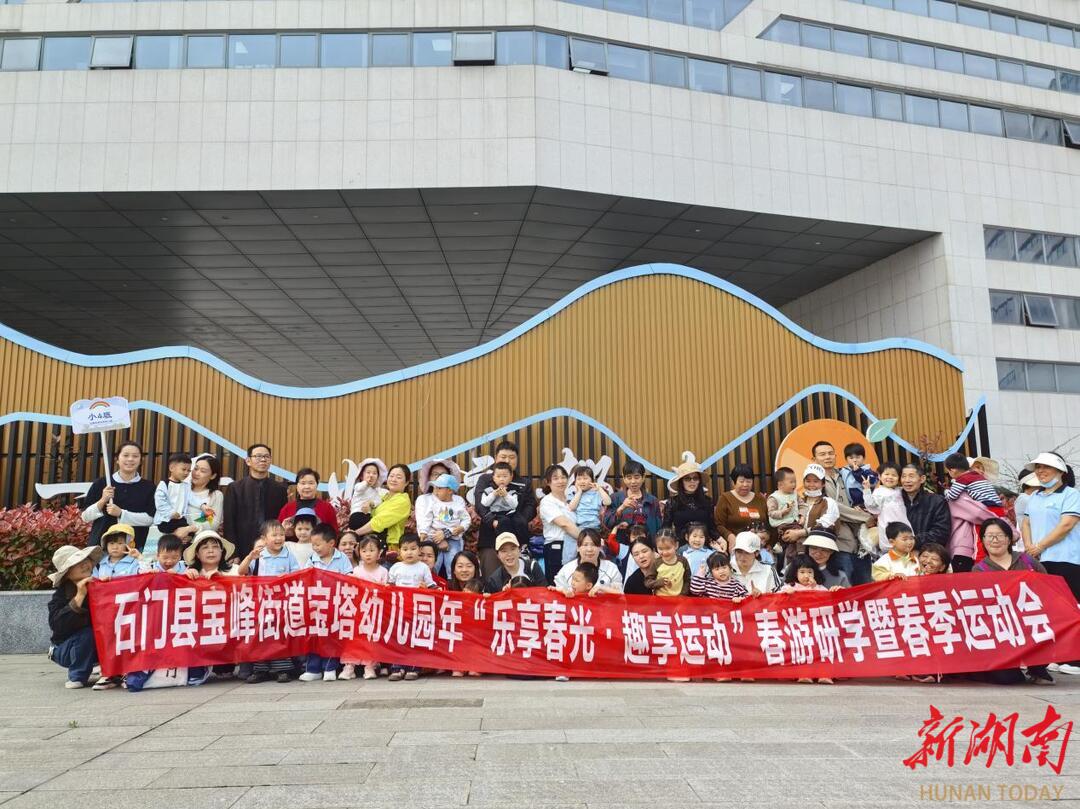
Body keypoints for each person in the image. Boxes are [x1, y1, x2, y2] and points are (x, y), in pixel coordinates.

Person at [972, 517, 1054, 686]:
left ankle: (1037, 667)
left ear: (1009, 539)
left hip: (1030, 622)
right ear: (983, 540)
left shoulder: (1027, 561)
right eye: (989, 536)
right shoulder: (979, 569)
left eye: (1000, 535)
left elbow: (1048, 587)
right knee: (1008, 679)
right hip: (1001, 630)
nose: (995, 540)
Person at [1021, 451, 1080, 676]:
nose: (1040, 471)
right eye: (1038, 468)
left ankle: (1076, 658)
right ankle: (1059, 654)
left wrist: (1040, 546)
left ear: (1060, 471)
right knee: (1051, 610)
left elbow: (1066, 525)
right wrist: (1030, 547)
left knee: (1071, 607)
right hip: (1040, 560)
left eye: (1046, 467)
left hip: (1067, 559)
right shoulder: (1035, 496)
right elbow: (1026, 523)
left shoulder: (1071, 494)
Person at [238, 520, 301, 683]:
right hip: (261, 604)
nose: (279, 538)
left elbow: (297, 575)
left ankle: (282, 669)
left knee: (279, 635)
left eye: (281, 534)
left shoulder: (288, 555)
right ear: (264, 538)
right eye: (274, 535)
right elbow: (241, 572)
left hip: (281, 604)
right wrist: (249, 557)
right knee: (261, 636)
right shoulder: (259, 556)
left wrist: (287, 578)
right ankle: (260, 670)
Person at [298, 524, 353, 682]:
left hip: (335, 605)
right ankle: (313, 669)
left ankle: (329, 668)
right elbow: (305, 577)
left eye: (318, 544)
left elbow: (349, 577)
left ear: (331, 543)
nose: (315, 548)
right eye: (313, 545)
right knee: (314, 637)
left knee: (331, 637)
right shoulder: (312, 559)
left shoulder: (342, 558)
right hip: (316, 606)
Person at [473, 441, 538, 575]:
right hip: (490, 538)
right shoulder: (485, 479)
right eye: (503, 457)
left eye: (512, 457)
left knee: (519, 579)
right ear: (496, 458)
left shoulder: (524, 483)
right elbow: (480, 504)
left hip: (517, 540)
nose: (507, 460)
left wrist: (518, 521)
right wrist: (493, 521)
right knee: (492, 578)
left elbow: (531, 506)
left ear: (517, 459)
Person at [813, 441, 872, 585]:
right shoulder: (814, 481)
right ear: (814, 459)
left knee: (866, 586)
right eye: (822, 454)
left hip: (862, 541)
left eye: (830, 453)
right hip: (840, 543)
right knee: (845, 587)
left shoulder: (846, 473)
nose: (827, 457)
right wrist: (865, 517)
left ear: (836, 455)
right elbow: (832, 507)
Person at [80, 440, 156, 552]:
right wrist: (102, 500)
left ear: (141, 460)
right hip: (101, 547)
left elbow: (151, 519)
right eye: (125, 455)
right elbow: (85, 517)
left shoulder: (149, 487)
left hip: (135, 549)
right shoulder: (101, 483)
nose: (130, 459)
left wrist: (121, 514)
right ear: (117, 459)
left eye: (135, 456)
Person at [47, 544, 103, 689]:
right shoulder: (60, 596)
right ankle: (77, 675)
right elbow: (58, 626)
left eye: (85, 559)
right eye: (77, 563)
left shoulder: (99, 585)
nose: (84, 564)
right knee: (87, 633)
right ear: (67, 573)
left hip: (97, 644)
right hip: (65, 648)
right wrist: (80, 595)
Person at [222, 443, 289, 561]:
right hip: (242, 547)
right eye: (258, 456)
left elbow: (281, 521)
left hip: (272, 548)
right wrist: (233, 553)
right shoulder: (235, 488)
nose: (263, 460)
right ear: (248, 461)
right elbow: (229, 523)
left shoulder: (280, 489)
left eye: (266, 456)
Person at [386, 534, 435, 681]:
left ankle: (413, 668)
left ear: (419, 550)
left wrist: (430, 589)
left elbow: (431, 586)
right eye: (405, 549)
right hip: (399, 610)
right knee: (398, 639)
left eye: (413, 549)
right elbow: (389, 586)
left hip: (417, 611)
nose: (409, 552)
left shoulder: (423, 568)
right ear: (399, 551)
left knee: (415, 639)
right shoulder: (395, 567)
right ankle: (397, 668)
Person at [342, 535, 387, 681]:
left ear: (379, 553)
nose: (368, 554)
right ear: (359, 552)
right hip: (358, 610)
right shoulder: (356, 571)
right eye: (364, 551)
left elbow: (386, 591)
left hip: (374, 610)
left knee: (371, 638)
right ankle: (350, 666)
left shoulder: (383, 572)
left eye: (372, 550)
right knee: (354, 638)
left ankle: (369, 665)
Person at [779, 464, 839, 562]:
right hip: (794, 552)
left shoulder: (829, 502)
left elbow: (825, 526)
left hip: (819, 554)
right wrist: (786, 533)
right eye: (808, 481)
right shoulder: (797, 502)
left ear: (823, 484)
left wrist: (799, 533)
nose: (811, 484)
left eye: (816, 481)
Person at [603, 460, 663, 560]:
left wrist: (656, 550)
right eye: (629, 477)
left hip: (646, 551)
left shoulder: (652, 501)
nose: (633, 481)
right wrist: (621, 508)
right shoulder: (615, 498)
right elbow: (607, 523)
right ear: (624, 478)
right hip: (622, 552)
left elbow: (658, 529)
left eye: (637, 477)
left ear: (643, 477)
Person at [352, 463, 413, 557]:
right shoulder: (383, 497)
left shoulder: (402, 501)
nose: (393, 479)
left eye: (398, 477)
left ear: (407, 482)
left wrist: (354, 533)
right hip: (370, 546)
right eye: (391, 476)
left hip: (388, 549)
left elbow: (379, 521)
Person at [417, 473, 471, 579]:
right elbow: (427, 518)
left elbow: (466, 519)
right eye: (435, 488)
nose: (436, 491)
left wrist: (462, 527)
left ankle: (452, 583)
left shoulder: (458, 504)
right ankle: (432, 582)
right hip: (435, 538)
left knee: (453, 563)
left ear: (450, 490)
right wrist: (423, 531)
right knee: (434, 563)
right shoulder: (434, 503)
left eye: (439, 488)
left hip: (453, 539)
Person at [539, 464, 583, 580]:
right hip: (557, 548)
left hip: (575, 546)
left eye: (563, 477)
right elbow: (565, 524)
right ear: (548, 482)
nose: (560, 481)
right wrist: (587, 538)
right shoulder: (547, 501)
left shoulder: (571, 500)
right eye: (556, 478)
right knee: (558, 584)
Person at [714, 464, 771, 553]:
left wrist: (769, 542)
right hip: (736, 547)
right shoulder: (725, 498)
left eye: (748, 481)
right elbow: (719, 525)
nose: (745, 485)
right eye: (741, 481)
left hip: (760, 547)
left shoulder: (760, 499)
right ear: (733, 482)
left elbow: (769, 523)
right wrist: (730, 536)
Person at [552, 529, 623, 593]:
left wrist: (602, 589)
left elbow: (620, 595)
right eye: (585, 545)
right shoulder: (567, 570)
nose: (589, 549)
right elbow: (558, 595)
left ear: (600, 548)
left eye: (593, 545)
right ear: (578, 548)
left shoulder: (611, 569)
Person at [899, 463, 951, 548]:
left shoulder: (937, 501)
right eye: (903, 476)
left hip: (926, 551)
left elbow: (941, 532)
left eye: (911, 476)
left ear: (922, 479)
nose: (907, 480)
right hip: (897, 550)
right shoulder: (895, 500)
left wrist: (914, 541)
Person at [664, 458, 717, 540]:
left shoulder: (707, 501)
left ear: (699, 481)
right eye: (687, 479)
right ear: (681, 482)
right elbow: (666, 529)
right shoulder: (672, 502)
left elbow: (712, 527)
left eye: (695, 478)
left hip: (703, 543)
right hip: (680, 544)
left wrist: (719, 539)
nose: (692, 481)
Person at [863, 463, 909, 554]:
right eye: (886, 474)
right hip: (887, 528)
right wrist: (867, 490)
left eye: (894, 475)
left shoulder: (901, 491)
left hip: (904, 527)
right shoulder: (879, 492)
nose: (890, 477)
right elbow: (872, 506)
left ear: (899, 478)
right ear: (879, 476)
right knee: (891, 554)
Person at [279, 467, 340, 533]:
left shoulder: (327, 507)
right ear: (297, 486)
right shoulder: (287, 508)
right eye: (303, 483)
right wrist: (285, 532)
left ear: (317, 485)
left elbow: (334, 532)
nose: (307, 486)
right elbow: (278, 532)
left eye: (311, 483)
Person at [183, 455, 224, 540]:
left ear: (213, 476)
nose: (196, 473)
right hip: (176, 540)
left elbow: (213, 522)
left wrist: (189, 530)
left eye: (203, 471)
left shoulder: (215, 495)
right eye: (195, 468)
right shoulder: (182, 490)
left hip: (200, 542)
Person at [152, 452, 192, 538]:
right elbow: (160, 502)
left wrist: (202, 505)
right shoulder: (164, 484)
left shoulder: (186, 486)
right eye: (183, 469)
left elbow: (193, 498)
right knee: (170, 530)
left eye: (189, 470)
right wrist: (170, 513)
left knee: (190, 533)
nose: (186, 473)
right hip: (165, 519)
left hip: (180, 518)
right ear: (171, 468)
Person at [644, 527, 691, 596]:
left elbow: (687, 580)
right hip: (660, 599)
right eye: (660, 549)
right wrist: (659, 582)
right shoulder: (656, 563)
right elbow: (647, 582)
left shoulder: (683, 561)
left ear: (676, 545)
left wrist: (683, 594)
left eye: (668, 548)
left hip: (679, 599)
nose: (665, 552)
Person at [348, 457, 389, 530]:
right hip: (356, 515)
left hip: (368, 516)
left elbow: (378, 501)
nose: (371, 475)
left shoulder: (376, 491)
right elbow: (359, 488)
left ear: (377, 477)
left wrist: (371, 503)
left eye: (374, 473)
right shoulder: (359, 486)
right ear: (361, 476)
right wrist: (366, 482)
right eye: (368, 472)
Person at [567, 465, 610, 530]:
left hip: (594, 527)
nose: (582, 481)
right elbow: (571, 508)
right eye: (579, 479)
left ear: (592, 481)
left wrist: (599, 489)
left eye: (585, 478)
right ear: (575, 482)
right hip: (579, 528)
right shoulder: (573, 495)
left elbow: (608, 502)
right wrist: (579, 492)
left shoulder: (596, 494)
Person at [840, 442, 878, 507]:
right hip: (848, 504)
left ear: (864, 458)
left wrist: (858, 471)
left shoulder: (867, 470)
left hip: (864, 503)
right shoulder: (843, 470)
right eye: (851, 458)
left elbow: (873, 481)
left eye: (858, 457)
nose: (855, 460)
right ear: (846, 459)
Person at [767, 467, 799, 539]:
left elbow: (802, 505)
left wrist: (802, 516)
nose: (794, 484)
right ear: (780, 484)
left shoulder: (795, 494)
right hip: (781, 524)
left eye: (795, 482)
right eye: (791, 482)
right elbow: (771, 513)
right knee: (789, 535)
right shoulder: (774, 497)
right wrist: (782, 512)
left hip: (795, 522)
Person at [623, 532, 657, 596]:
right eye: (636, 554)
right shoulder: (632, 582)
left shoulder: (665, 571)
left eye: (644, 551)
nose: (641, 556)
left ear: (653, 551)